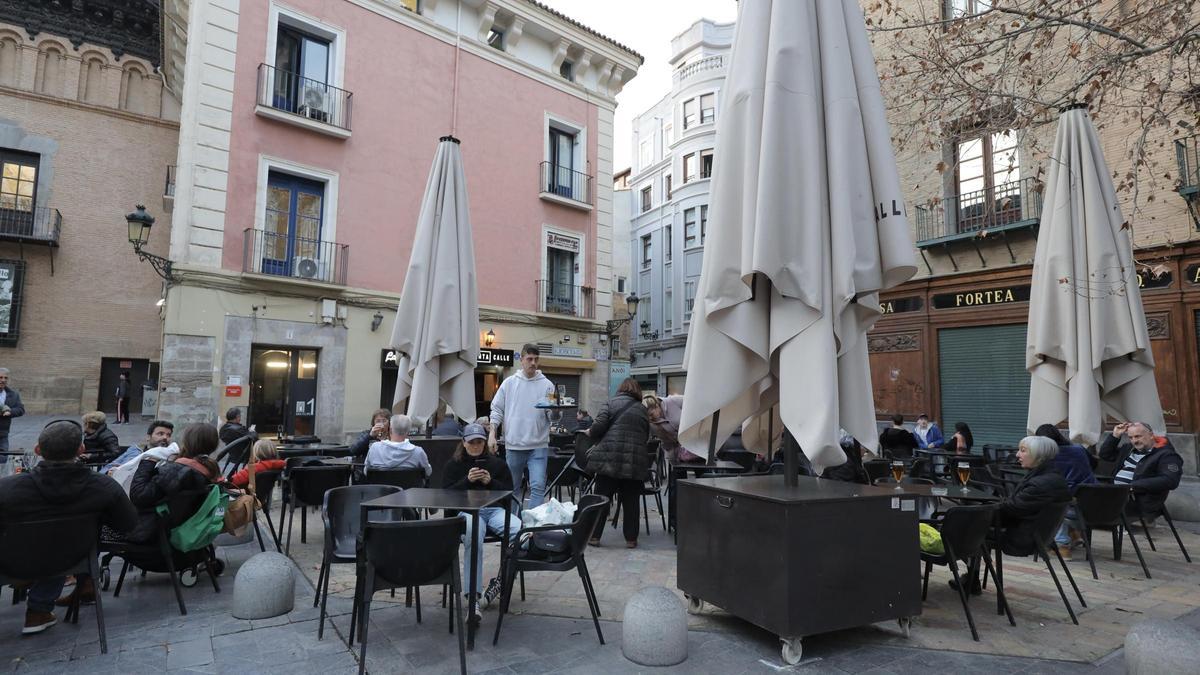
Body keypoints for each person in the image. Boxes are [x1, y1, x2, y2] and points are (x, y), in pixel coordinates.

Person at [0, 420, 137, 634]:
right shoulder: (103, 486)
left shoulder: (7, 488)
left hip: (12, 561)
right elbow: (128, 524)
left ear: (38, 450)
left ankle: (37, 603)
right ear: (81, 449)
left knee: (44, 543)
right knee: (61, 542)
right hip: (73, 559)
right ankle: (38, 611)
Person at [954, 436, 1070, 595]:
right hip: (1036, 534)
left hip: (1021, 537)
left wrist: (978, 513)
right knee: (973, 525)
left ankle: (969, 577)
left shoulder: (1040, 484)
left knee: (964, 529)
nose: (1017, 455)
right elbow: (1015, 505)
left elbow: (1012, 509)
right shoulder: (1051, 476)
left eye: (1023, 451)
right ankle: (971, 579)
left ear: (1039, 456)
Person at [442, 423, 520, 617]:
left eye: (480, 442)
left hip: (493, 510)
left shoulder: (497, 464)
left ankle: (500, 582)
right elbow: (446, 495)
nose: (476, 446)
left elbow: (509, 492)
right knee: (473, 534)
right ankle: (473, 599)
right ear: (464, 443)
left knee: (520, 532)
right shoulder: (453, 465)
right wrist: (467, 481)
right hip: (466, 512)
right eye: (472, 442)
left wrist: (490, 482)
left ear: (485, 443)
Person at [123, 423, 224, 544]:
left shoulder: (178, 470)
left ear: (187, 441)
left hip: (152, 533)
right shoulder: (210, 469)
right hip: (180, 529)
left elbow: (138, 495)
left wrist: (148, 461)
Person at [585, 377, 651, 548]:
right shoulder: (643, 410)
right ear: (637, 392)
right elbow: (646, 436)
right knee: (631, 501)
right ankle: (631, 539)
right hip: (633, 462)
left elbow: (598, 427)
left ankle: (594, 536)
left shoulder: (610, 403)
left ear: (621, 389)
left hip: (608, 459)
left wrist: (590, 432)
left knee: (601, 498)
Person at [489, 344, 555, 508]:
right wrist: (492, 434)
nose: (533, 363)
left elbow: (552, 416)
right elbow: (496, 409)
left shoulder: (547, 385)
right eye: (529, 359)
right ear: (521, 360)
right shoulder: (509, 383)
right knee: (513, 488)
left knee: (538, 486)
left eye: (536, 359)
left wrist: (557, 411)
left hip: (538, 445)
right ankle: (514, 525)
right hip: (514, 445)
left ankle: (532, 527)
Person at [1098, 422, 1184, 524]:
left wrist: (1132, 486)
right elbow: (1105, 454)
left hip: (1138, 502)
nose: (1135, 441)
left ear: (1151, 435)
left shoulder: (1167, 455)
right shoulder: (1128, 449)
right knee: (1084, 503)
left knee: (1086, 509)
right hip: (1117, 496)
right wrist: (1115, 435)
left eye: (1138, 436)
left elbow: (1170, 480)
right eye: (1131, 437)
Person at [1035, 424, 1096, 559]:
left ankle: (1062, 545)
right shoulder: (1079, 449)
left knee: (1049, 502)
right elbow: (1094, 464)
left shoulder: (1047, 457)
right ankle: (1074, 533)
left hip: (1071, 508)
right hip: (1095, 504)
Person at [364, 414, 431, 478]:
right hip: (409, 489)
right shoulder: (418, 452)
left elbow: (366, 471)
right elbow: (428, 472)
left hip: (381, 489)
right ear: (408, 432)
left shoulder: (375, 448)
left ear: (390, 430)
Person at [102, 419, 175, 474]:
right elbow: (108, 467)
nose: (165, 437)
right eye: (160, 434)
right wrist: (110, 472)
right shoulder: (136, 450)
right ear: (148, 437)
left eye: (168, 435)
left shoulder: (171, 458)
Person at [646, 394, 697, 462]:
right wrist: (671, 458)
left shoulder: (672, 401)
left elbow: (693, 402)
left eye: (651, 414)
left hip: (698, 439)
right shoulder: (654, 424)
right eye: (648, 417)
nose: (650, 418)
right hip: (684, 452)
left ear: (656, 406)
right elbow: (667, 443)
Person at [0, 367, 26, 461]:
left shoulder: (13, 394)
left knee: (2, 461)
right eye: (0, 377)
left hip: (2, 434)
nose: (3, 380)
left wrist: (9, 411)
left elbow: (20, 409)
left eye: (5, 378)